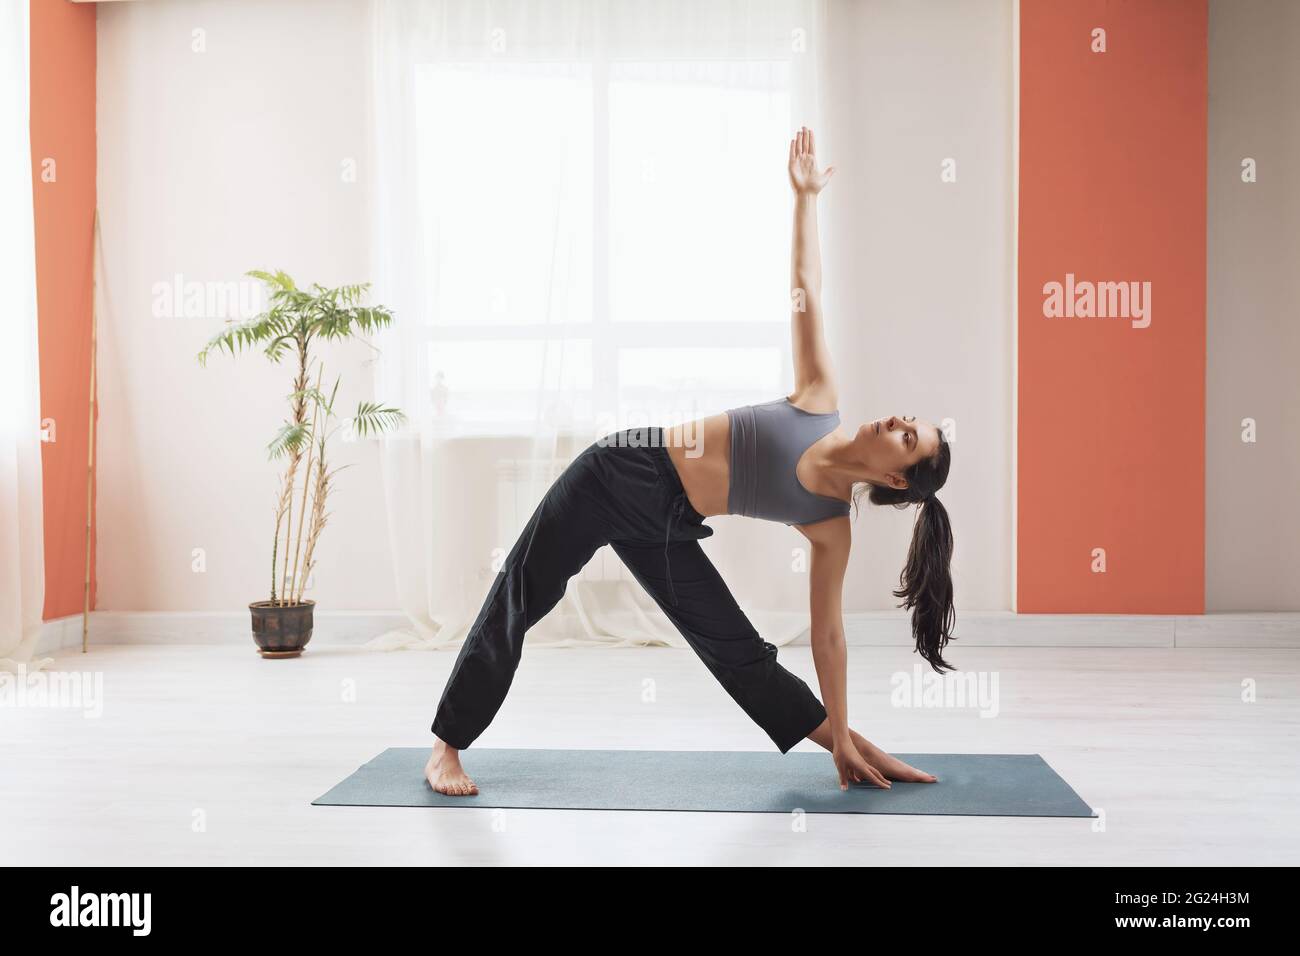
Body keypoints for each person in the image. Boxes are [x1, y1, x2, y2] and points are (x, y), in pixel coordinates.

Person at [426, 127, 954, 796]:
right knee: (524, 591)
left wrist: (843, 734)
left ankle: (853, 748)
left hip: (670, 524)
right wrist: (805, 199)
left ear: (893, 479)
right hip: (621, 470)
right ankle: (446, 746)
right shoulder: (820, 398)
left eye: (910, 439)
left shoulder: (829, 525)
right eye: (909, 419)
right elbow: (805, 286)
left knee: (739, 655)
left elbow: (829, 639)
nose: (899, 423)